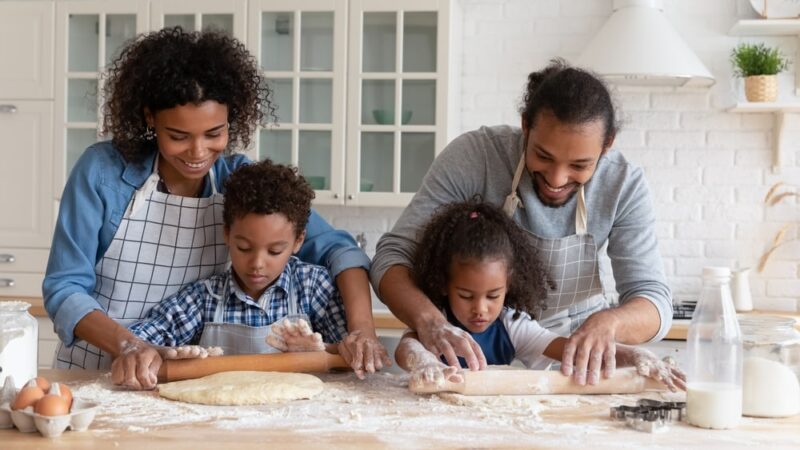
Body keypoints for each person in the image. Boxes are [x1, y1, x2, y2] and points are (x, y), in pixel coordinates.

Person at [43, 27, 388, 389]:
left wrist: (362, 331)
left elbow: (340, 251)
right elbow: (64, 288)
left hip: (178, 379)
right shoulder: (103, 172)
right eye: (178, 136)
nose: (197, 153)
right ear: (150, 119)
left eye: (214, 134)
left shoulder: (237, 181)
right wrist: (130, 344)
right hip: (93, 373)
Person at [371, 59, 672, 386]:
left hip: (577, 365)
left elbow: (653, 298)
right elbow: (392, 256)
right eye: (543, 156)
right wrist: (430, 321)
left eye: (579, 165)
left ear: (607, 144)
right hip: (476, 358)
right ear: (526, 126)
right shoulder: (478, 156)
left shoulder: (624, 184)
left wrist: (607, 325)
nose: (557, 178)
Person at [393, 200, 684, 392]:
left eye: (493, 295)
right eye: (466, 295)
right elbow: (406, 348)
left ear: (508, 285)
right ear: (444, 285)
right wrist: (425, 361)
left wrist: (635, 355)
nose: (481, 308)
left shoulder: (513, 325)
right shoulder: (437, 322)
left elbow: (574, 350)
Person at [112, 160, 352, 388]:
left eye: (275, 251)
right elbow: (141, 340)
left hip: (298, 422)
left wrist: (320, 352)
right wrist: (162, 353)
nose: (257, 263)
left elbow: (350, 357)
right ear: (227, 233)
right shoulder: (205, 297)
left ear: (298, 241)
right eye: (244, 248)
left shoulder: (314, 287)